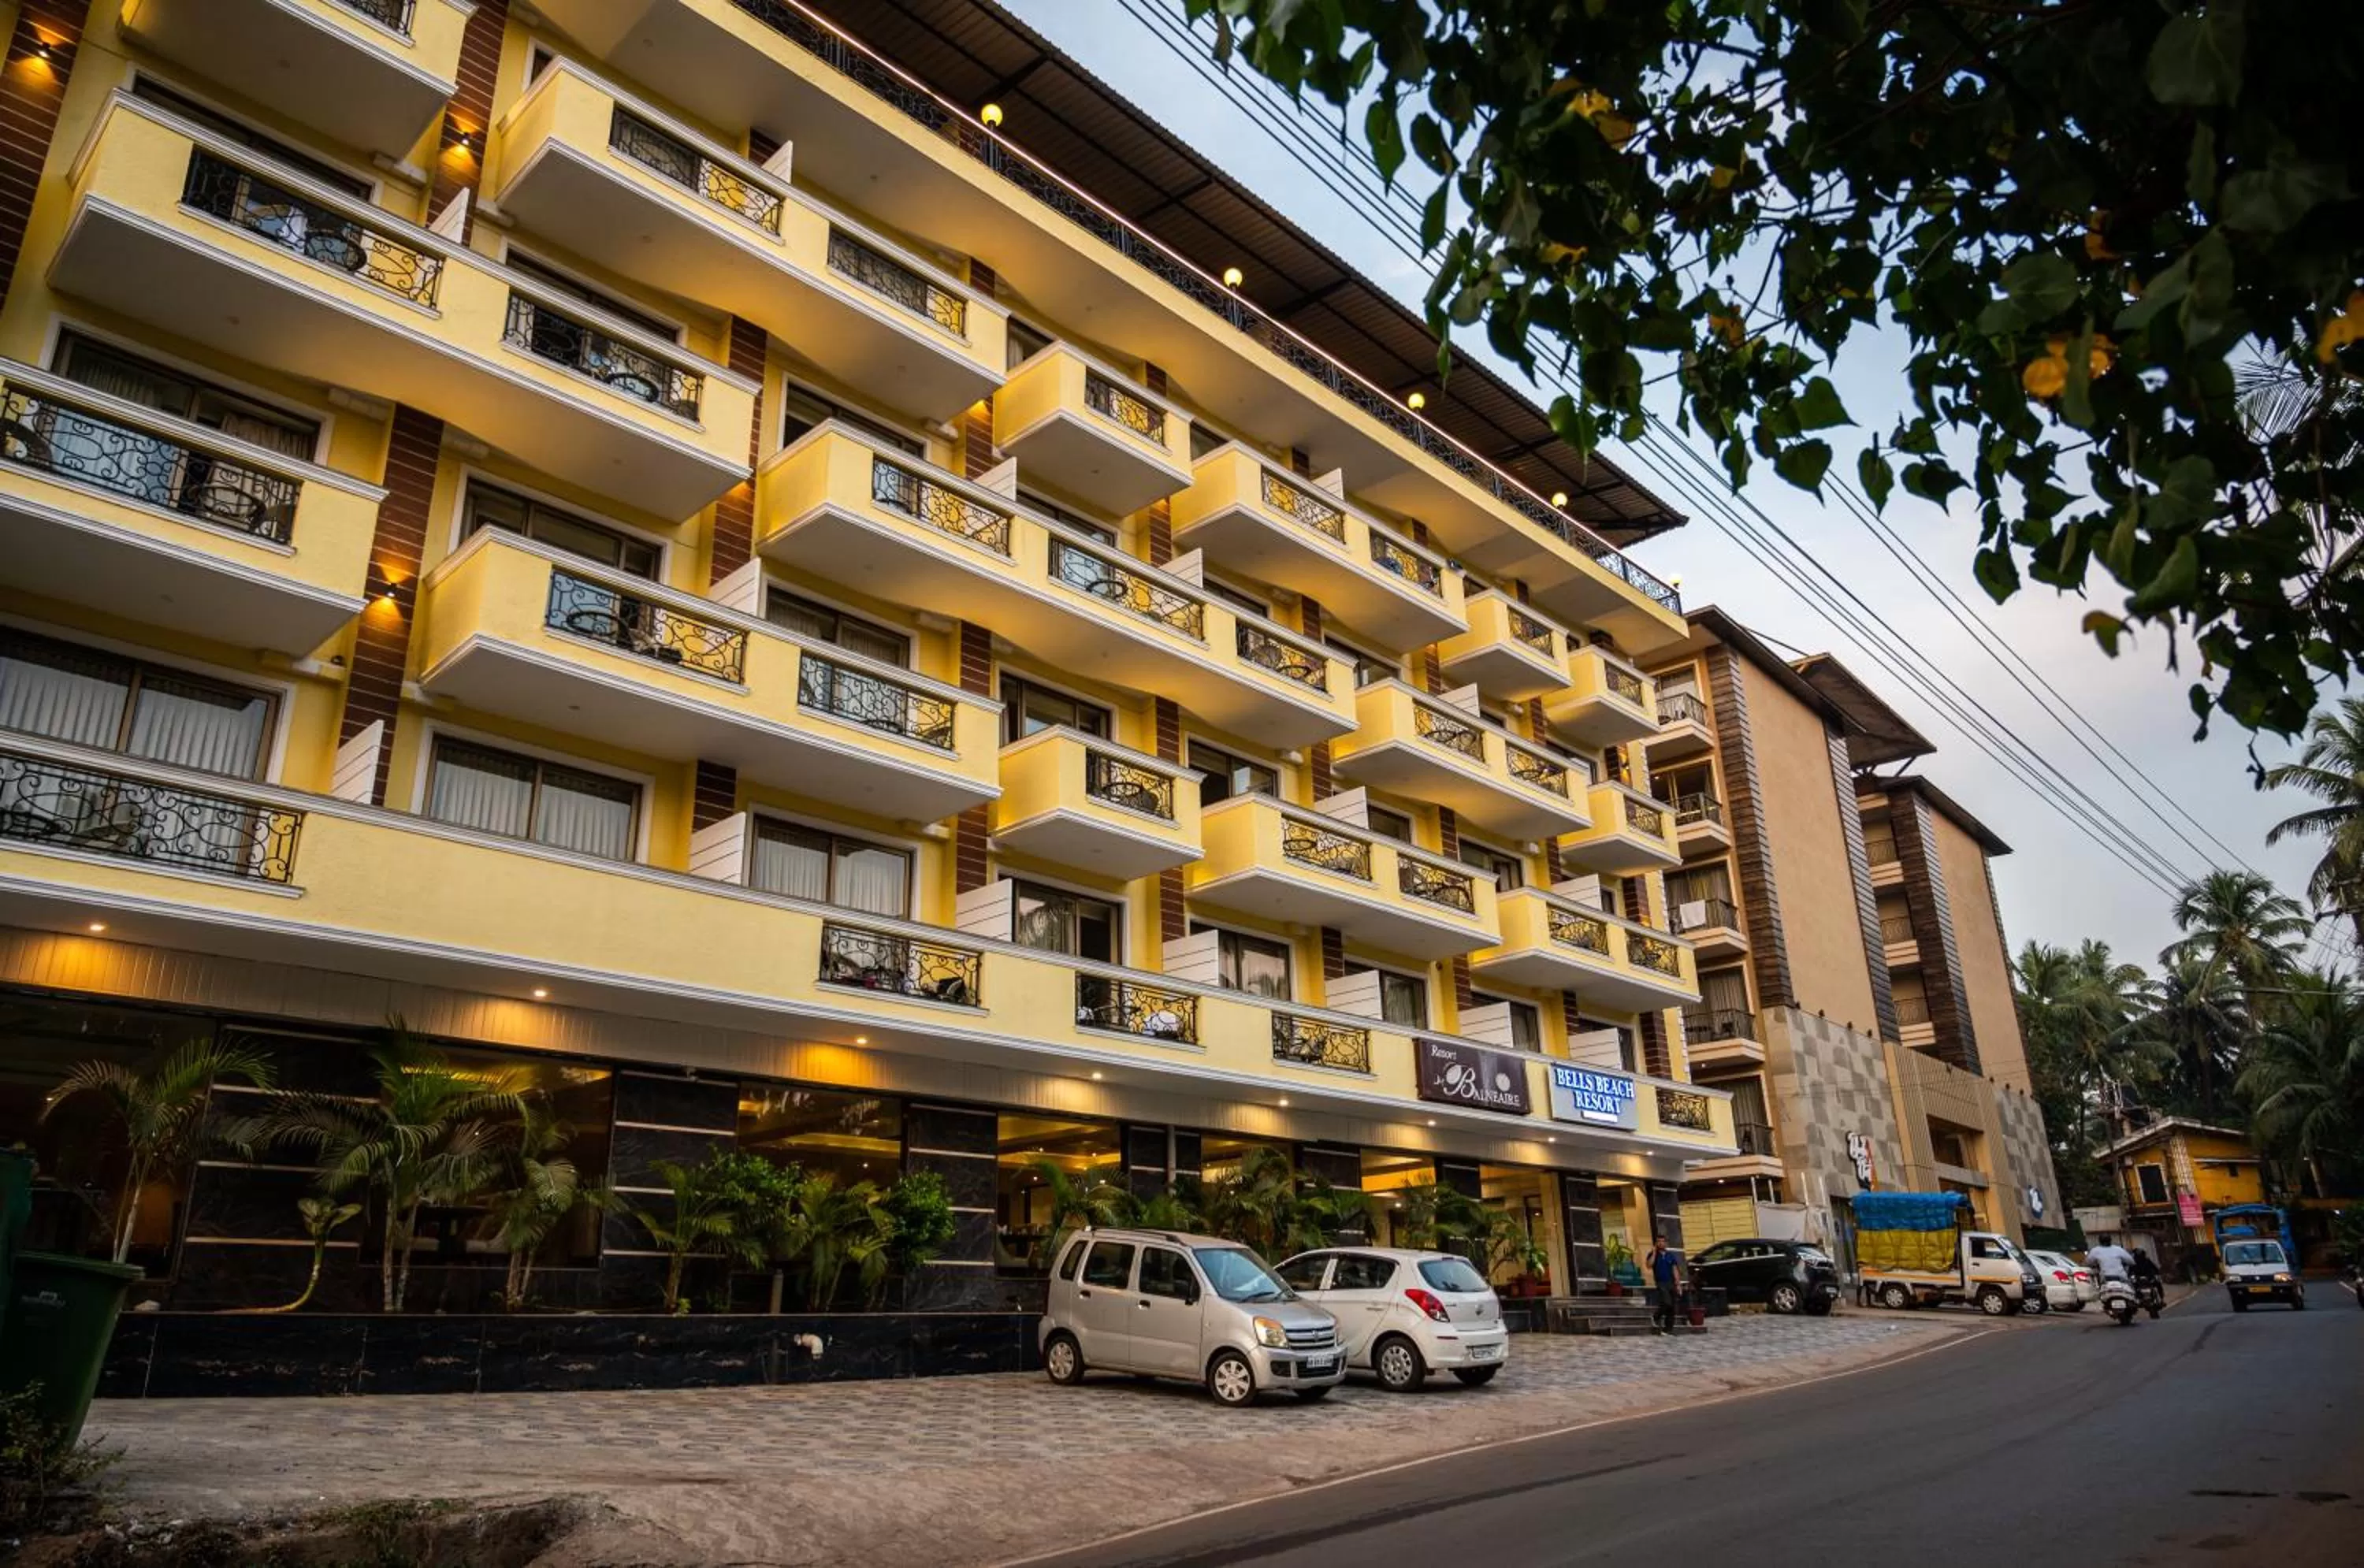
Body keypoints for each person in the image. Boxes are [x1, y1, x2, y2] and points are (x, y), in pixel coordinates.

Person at [1645, 1232, 1686, 1335]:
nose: (1661, 1243)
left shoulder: (1670, 1255)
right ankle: (1656, 1317)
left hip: (1671, 1282)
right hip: (1661, 1282)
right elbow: (1649, 1265)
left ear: (1666, 1243)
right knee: (1667, 1302)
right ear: (1656, 1243)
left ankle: (1667, 1330)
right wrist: (1654, 1253)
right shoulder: (1653, 1254)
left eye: (1662, 1241)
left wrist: (1678, 1284)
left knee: (1672, 1307)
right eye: (1658, 1241)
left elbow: (1675, 1270)